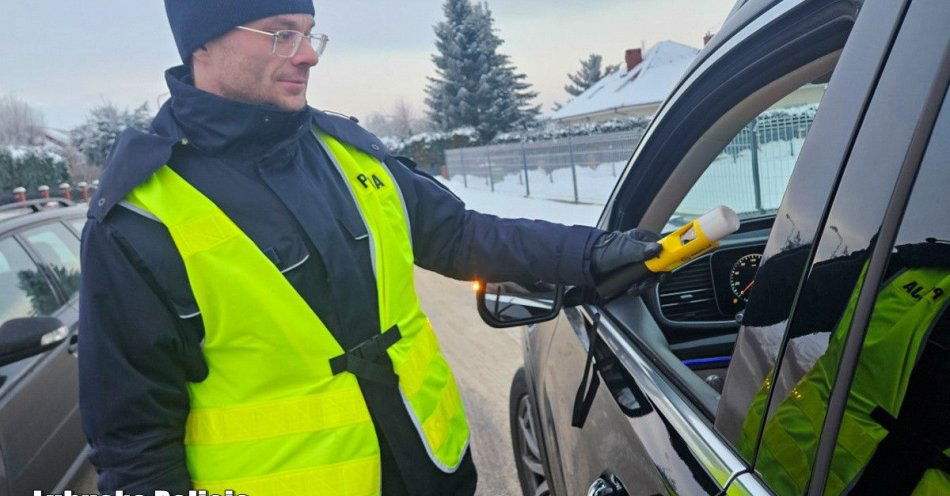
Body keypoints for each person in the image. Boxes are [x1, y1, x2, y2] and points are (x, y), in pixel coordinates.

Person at [78, 1, 661, 494]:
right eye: (281, 34)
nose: (306, 55)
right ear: (202, 44)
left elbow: (461, 236)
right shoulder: (138, 218)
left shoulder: (348, 154)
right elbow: (133, 442)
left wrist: (592, 253)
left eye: (309, 35)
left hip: (433, 472)